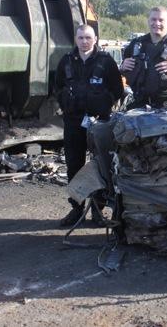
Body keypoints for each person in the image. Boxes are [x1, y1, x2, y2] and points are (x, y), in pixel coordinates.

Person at [55, 24, 124, 227]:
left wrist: (103, 102)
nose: (84, 41)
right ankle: (76, 209)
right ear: (75, 39)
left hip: (100, 123)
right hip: (74, 122)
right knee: (74, 165)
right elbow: (57, 87)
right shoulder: (66, 61)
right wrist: (65, 103)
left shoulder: (106, 62)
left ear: (95, 39)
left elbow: (118, 89)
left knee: (102, 165)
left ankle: (98, 209)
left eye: (88, 37)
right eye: (81, 37)